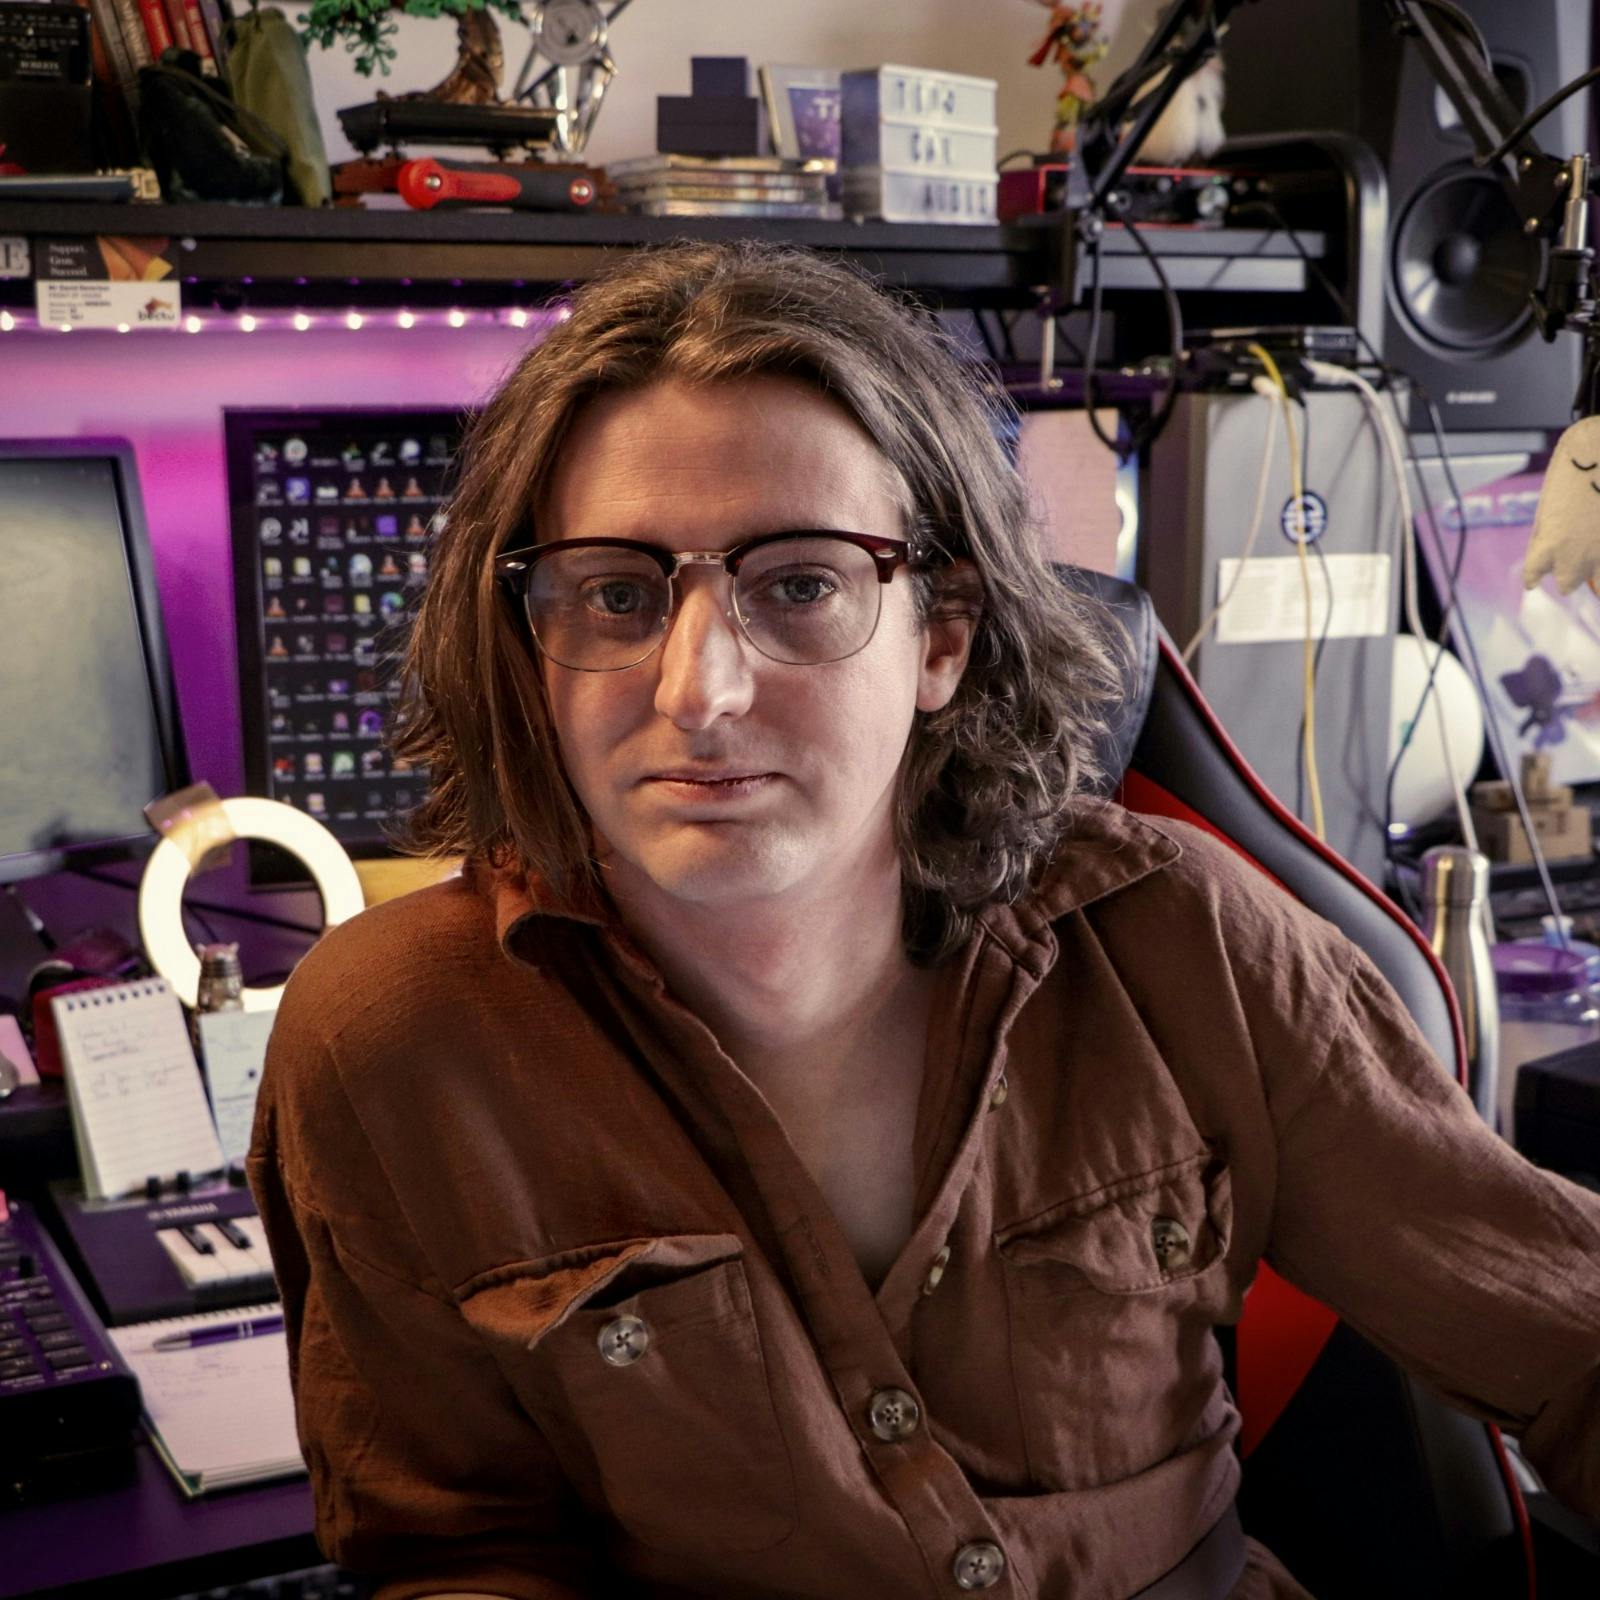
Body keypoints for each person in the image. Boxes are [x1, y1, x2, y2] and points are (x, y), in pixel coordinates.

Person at [248, 241, 1600, 1600]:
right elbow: (465, 1554)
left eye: (800, 585)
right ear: (532, 638)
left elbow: (1575, 1346)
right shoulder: (392, 1040)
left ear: (942, 637)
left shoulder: (1189, 942)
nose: (702, 689)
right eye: (616, 591)